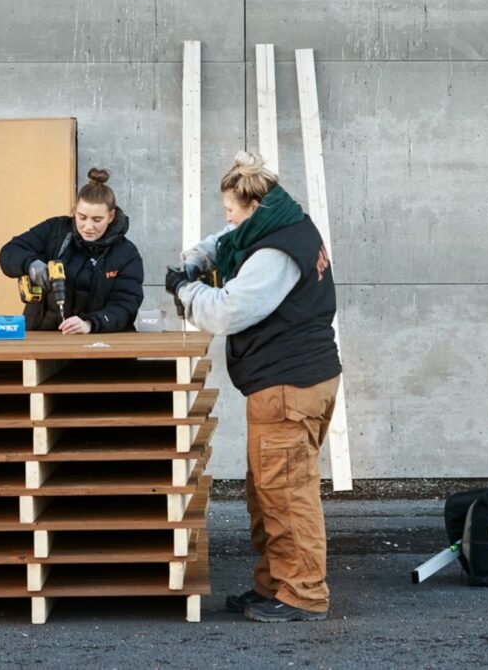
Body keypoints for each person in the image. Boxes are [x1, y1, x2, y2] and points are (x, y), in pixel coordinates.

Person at [165, 151, 341, 623]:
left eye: (232, 209)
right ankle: (274, 587)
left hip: (288, 383)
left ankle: (302, 594)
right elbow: (227, 240)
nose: (226, 218)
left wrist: (186, 290)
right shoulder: (288, 223)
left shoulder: (274, 254)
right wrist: (198, 258)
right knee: (268, 489)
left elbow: (226, 311)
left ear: (254, 207)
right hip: (302, 378)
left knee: (284, 493)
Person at [0, 168, 144, 334]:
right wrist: (30, 264)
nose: (88, 227)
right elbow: (9, 251)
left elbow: (126, 305)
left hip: (100, 341)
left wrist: (90, 323)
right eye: (82, 217)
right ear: (74, 210)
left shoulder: (126, 254)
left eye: (97, 219)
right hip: (43, 335)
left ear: (111, 216)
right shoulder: (55, 231)